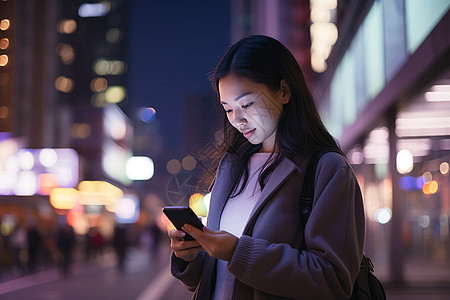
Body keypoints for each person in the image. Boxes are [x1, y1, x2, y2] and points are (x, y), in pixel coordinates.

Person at [168, 35, 365, 299]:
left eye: (247, 104)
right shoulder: (232, 168)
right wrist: (191, 257)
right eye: (228, 109)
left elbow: (332, 281)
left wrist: (237, 251)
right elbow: (216, 279)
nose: (237, 120)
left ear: (284, 91)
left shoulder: (327, 169)